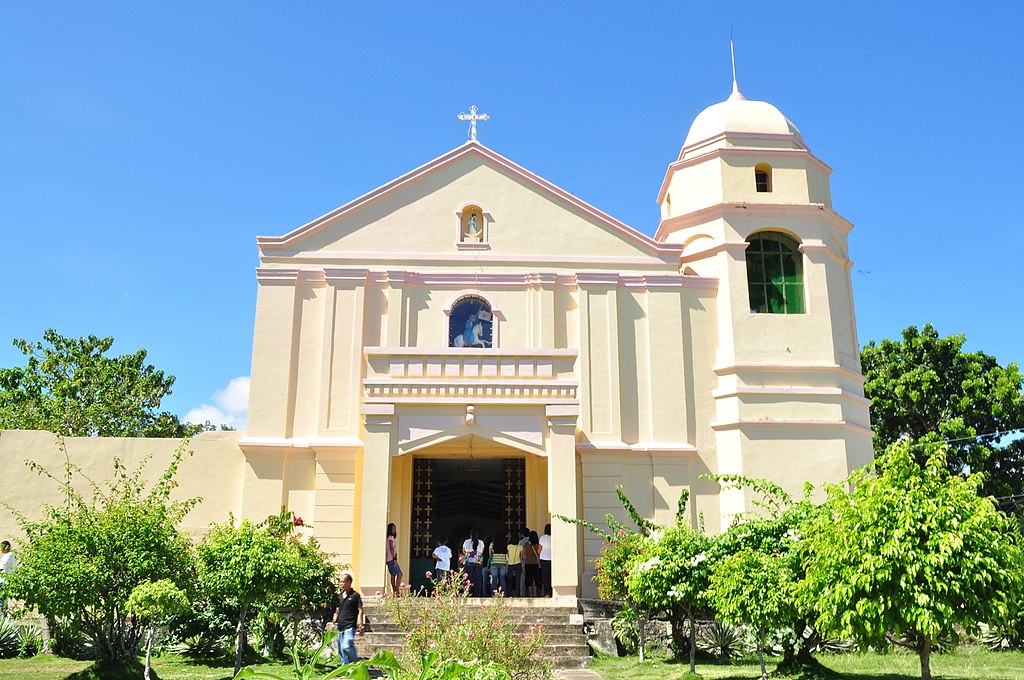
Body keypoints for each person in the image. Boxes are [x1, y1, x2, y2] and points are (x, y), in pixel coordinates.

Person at [330, 572, 364, 665]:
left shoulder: (355, 595)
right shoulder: (339, 596)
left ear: (349, 582)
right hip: (340, 626)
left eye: (343, 582)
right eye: (340, 582)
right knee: (341, 651)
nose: (341, 584)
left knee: (347, 646)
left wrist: (361, 626)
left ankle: (357, 664)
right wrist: (333, 622)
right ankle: (345, 670)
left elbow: (360, 610)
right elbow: (337, 611)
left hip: (350, 626)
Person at [461, 529, 485, 597]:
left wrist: (470, 553)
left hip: (469, 561)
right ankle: (478, 593)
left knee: (468, 578)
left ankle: (468, 592)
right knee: (478, 577)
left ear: (470, 535)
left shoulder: (466, 541)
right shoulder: (481, 542)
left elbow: (463, 551)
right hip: (478, 561)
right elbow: (482, 552)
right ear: (477, 535)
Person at [385, 523, 402, 595]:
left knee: (393, 575)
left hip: (388, 559)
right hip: (391, 559)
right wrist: (394, 558)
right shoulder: (391, 538)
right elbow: (391, 548)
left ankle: (395, 591)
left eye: (395, 528)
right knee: (400, 574)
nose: (394, 530)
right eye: (392, 528)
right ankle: (396, 590)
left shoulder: (389, 537)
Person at [524, 531, 542, 598]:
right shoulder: (538, 544)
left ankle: (530, 593)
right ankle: (537, 593)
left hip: (528, 563)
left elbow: (524, 553)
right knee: (537, 579)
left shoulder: (526, 544)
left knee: (529, 579)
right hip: (536, 563)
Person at [0, 541, 16, 613]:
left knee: (1, 601)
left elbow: (1, 567)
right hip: (5, 581)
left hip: (3, 581)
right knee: (3, 601)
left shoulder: (9, 555)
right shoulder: (11, 555)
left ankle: (2, 618)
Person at [539, 523, 553, 597]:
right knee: (551, 576)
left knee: (545, 577)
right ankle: (552, 592)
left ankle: (547, 593)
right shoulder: (554, 537)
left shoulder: (542, 538)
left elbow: (539, 550)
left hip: (544, 559)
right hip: (552, 559)